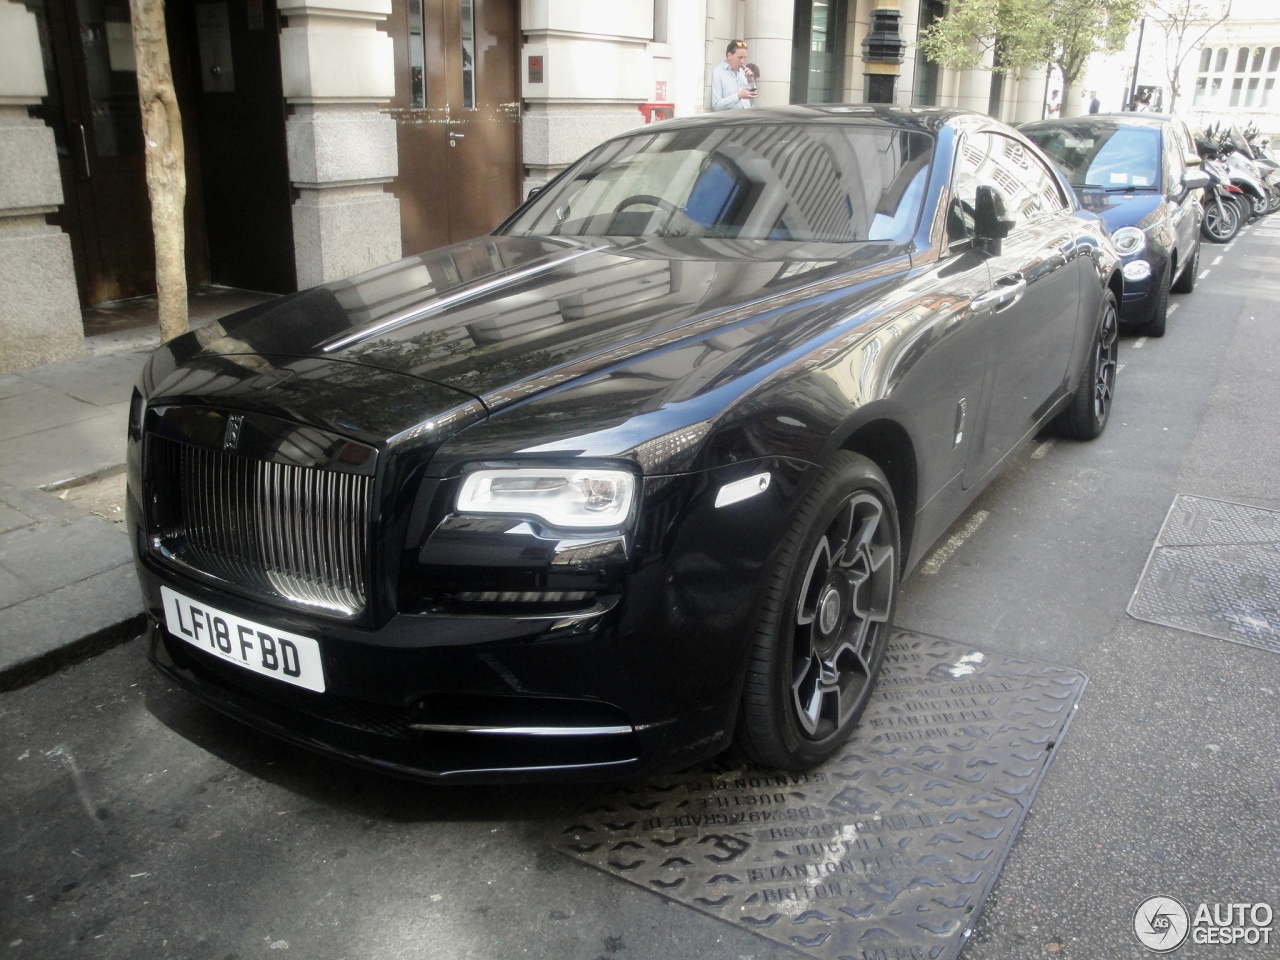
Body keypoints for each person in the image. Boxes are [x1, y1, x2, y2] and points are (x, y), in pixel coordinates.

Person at [712, 41, 756, 110]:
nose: (742, 61)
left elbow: (751, 103)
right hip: (731, 119)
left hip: (747, 116)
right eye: (739, 58)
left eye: (744, 58)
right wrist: (738, 96)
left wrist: (751, 82)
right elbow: (716, 106)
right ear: (729, 55)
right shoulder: (718, 72)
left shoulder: (743, 72)